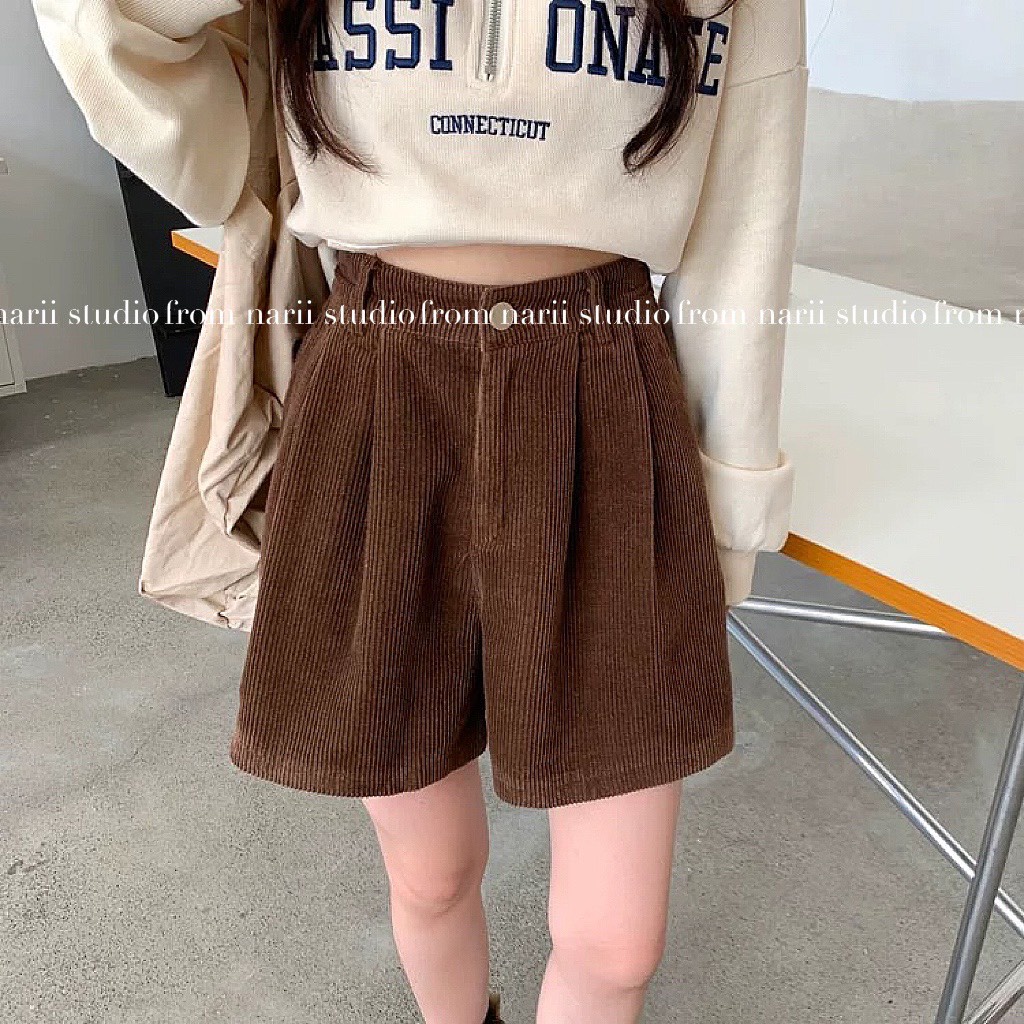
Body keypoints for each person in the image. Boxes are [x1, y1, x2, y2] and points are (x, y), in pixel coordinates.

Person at [31, 0, 809, 1021]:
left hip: (608, 395)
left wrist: (726, 516)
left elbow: (746, 224)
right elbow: (117, 41)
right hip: (378, 387)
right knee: (431, 872)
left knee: (617, 943)